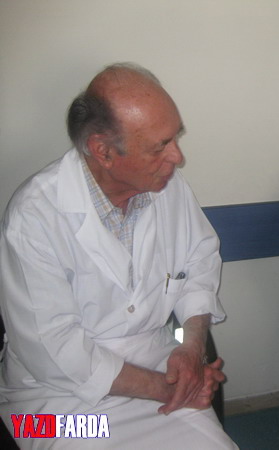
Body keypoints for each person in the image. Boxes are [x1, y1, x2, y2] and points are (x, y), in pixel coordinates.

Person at [0, 63, 237, 449]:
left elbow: (200, 261)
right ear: (103, 151)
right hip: (50, 402)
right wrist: (168, 388)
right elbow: (53, 351)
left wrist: (191, 351)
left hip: (159, 368)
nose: (177, 157)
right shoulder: (34, 215)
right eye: (160, 146)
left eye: (175, 138)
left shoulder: (167, 186)